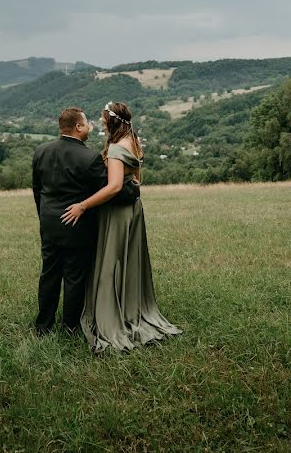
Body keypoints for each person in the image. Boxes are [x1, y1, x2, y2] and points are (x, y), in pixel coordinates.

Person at [61, 101, 182, 352]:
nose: (101, 123)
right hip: (133, 211)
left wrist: (83, 206)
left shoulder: (116, 148)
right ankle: (130, 306)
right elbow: (136, 181)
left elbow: (115, 186)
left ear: (112, 121)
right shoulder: (134, 141)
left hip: (116, 212)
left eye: (104, 119)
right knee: (127, 260)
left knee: (110, 261)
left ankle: (110, 316)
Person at [32, 108, 104, 335]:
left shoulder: (41, 151)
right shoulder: (90, 157)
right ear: (78, 127)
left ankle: (43, 326)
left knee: (49, 274)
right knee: (74, 277)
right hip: (78, 227)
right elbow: (105, 191)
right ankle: (70, 327)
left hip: (49, 224)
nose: (90, 126)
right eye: (87, 123)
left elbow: (37, 190)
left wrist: (44, 215)